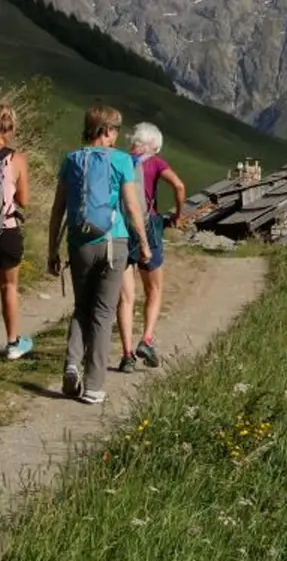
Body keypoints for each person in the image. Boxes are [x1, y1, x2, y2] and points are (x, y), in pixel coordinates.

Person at [47, 105, 150, 406]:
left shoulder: (71, 160)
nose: (117, 135)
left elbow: (57, 210)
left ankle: (70, 364)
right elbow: (132, 208)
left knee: (81, 307)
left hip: (79, 244)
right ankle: (93, 385)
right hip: (113, 242)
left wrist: (52, 248)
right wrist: (143, 243)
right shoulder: (121, 160)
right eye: (115, 129)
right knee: (104, 314)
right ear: (105, 131)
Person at [116, 122, 185, 372]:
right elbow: (178, 185)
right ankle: (146, 339)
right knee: (154, 288)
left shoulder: (119, 160)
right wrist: (178, 215)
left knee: (125, 297)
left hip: (120, 231)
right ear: (154, 146)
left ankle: (126, 355)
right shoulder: (156, 163)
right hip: (148, 228)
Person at [0, 105, 33, 361]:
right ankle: (13, 343)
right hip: (6, 231)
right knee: (9, 286)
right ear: (9, 129)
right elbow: (23, 199)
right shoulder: (17, 159)